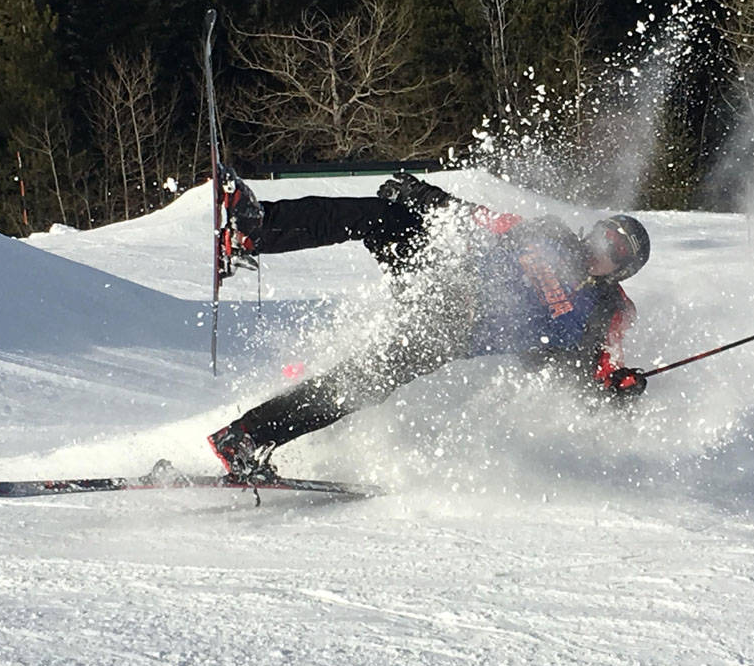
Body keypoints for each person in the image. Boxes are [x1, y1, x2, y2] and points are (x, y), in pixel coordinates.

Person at [206, 171, 651, 480]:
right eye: (601, 235)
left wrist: (620, 384)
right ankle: (255, 230)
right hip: (445, 278)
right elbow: (483, 219)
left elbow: (606, 363)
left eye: (613, 251)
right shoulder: (551, 234)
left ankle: (243, 438)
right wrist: (429, 198)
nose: (598, 248)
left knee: (361, 383)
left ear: (621, 270)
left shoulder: (608, 308)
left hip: (448, 333)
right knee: (380, 216)